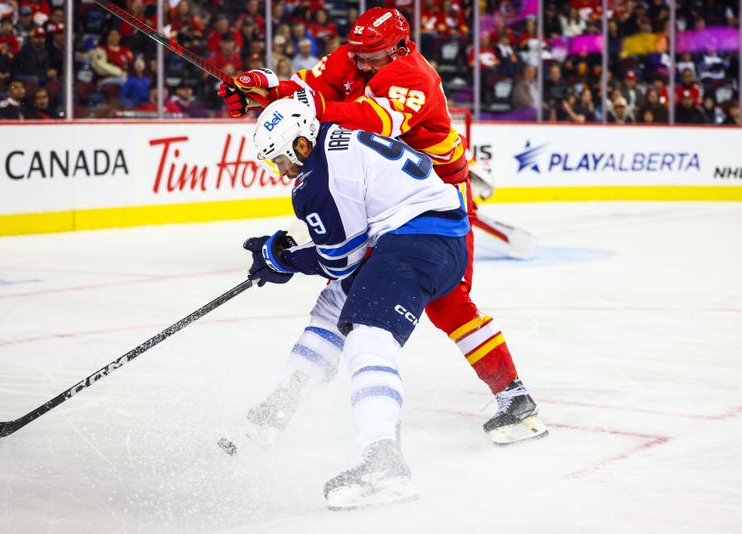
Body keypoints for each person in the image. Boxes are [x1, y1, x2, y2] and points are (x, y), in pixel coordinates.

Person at [220, 8, 547, 447]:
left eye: (372, 56)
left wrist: (292, 259)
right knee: (352, 292)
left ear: (398, 46)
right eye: (357, 53)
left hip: (434, 199)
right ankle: (283, 403)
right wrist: (266, 87)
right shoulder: (354, 56)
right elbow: (307, 91)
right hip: (383, 197)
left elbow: (371, 120)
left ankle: (511, 396)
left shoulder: (415, 76)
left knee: (444, 299)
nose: (361, 63)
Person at [245, 98, 469, 509]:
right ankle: (280, 406)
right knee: (332, 307)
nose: (280, 171)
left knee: (368, 336)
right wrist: (289, 255)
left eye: (279, 159)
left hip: (420, 240)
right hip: (420, 235)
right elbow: (345, 254)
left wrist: (284, 258)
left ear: (299, 143)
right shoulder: (327, 139)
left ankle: (385, 465)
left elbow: (338, 259)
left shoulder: (317, 178)